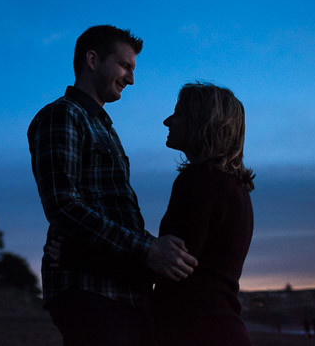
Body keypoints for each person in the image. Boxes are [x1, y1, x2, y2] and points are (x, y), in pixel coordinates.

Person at [28, 25, 198, 346]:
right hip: (87, 289)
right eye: (124, 66)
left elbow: (113, 213)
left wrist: (157, 252)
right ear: (92, 60)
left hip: (123, 290)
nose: (131, 79)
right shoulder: (62, 116)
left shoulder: (104, 127)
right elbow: (63, 206)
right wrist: (147, 249)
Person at [153, 83, 255, 346]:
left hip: (195, 330)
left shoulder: (199, 181)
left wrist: (80, 254)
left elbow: (170, 263)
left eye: (178, 113)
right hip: (223, 328)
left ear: (201, 122)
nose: (167, 121)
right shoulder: (235, 187)